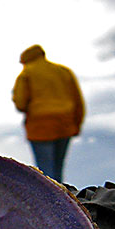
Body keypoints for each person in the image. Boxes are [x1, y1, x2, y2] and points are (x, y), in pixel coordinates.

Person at [11, 44, 85, 183]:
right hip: (65, 123)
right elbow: (78, 101)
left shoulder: (27, 73)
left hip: (41, 125)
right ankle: (64, 200)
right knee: (58, 169)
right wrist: (77, 124)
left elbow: (20, 103)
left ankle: (51, 202)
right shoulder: (64, 71)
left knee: (45, 172)